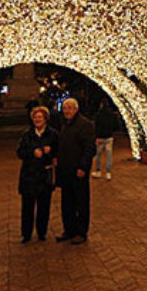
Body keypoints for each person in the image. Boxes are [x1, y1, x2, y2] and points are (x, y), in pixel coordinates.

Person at [55, 97, 95, 244]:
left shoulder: (85, 124)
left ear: (76, 109)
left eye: (70, 108)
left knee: (81, 202)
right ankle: (69, 229)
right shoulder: (65, 124)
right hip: (66, 170)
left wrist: (83, 167)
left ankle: (81, 232)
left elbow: (89, 148)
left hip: (78, 170)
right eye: (65, 108)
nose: (67, 111)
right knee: (67, 203)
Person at [16, 106, 59, 243]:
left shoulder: (53, 134)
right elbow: (20, 152)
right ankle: (26, 233)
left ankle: (42, 232)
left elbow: (59, 151)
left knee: (44, 206)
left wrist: (50, 151)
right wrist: (32, 153)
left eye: (40, 117)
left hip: (44, 175)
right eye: (35, 117)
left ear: (45, 119)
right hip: (29, 175)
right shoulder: (27, 135)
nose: (37, 119)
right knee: (27, 207)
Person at [91, 102, 120, 180]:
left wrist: (96, 136)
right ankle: (108, 173)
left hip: (100, 137)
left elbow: (96, 127)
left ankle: (98, 171)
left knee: (98, 155)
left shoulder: (98, 115)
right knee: (109, 155)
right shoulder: (112, 115)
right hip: (109, 136)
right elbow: (116, 125)